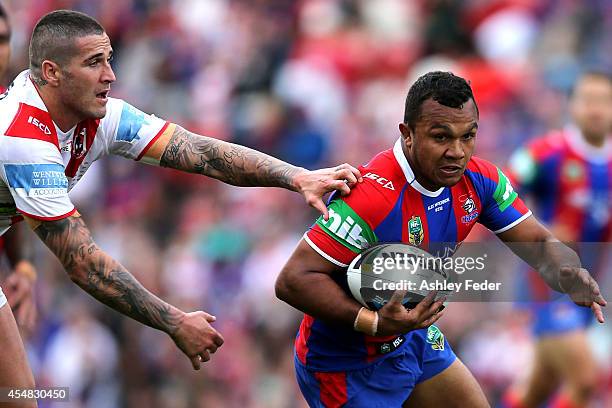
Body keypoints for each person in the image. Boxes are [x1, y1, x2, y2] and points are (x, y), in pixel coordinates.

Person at [0, 9, 362, 404]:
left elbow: (200, 153)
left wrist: (295, 177)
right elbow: (83, 263)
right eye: (94, 63)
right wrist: (173, 321)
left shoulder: (101, 117)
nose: (110, 75)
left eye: (109, 59)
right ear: (52, 73)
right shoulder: (23, 139)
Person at [275, 71, 606, 407]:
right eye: (441, 137)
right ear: (407, 134)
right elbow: (292, 280)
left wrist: (567, 269)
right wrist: (373, 322)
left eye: (468, 136)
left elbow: (538, 243)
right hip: (343, 365)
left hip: (411, 338)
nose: (457, 152)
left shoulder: (481, 180)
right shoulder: (370, 196)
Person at [503, 71, 612, 408]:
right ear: (572, 106)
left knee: (536, 390)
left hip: (590, 291)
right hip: (548, 289)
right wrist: (541, 227)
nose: (596, 109)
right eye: (587, 100)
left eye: (604, 101)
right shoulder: (547, 152)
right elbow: (500, 192)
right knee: (583, 380)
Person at [0, 2, 38, 336]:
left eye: (2, 39)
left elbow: (16, 202)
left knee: (23, 389)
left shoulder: (13, 113)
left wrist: (23, 268)